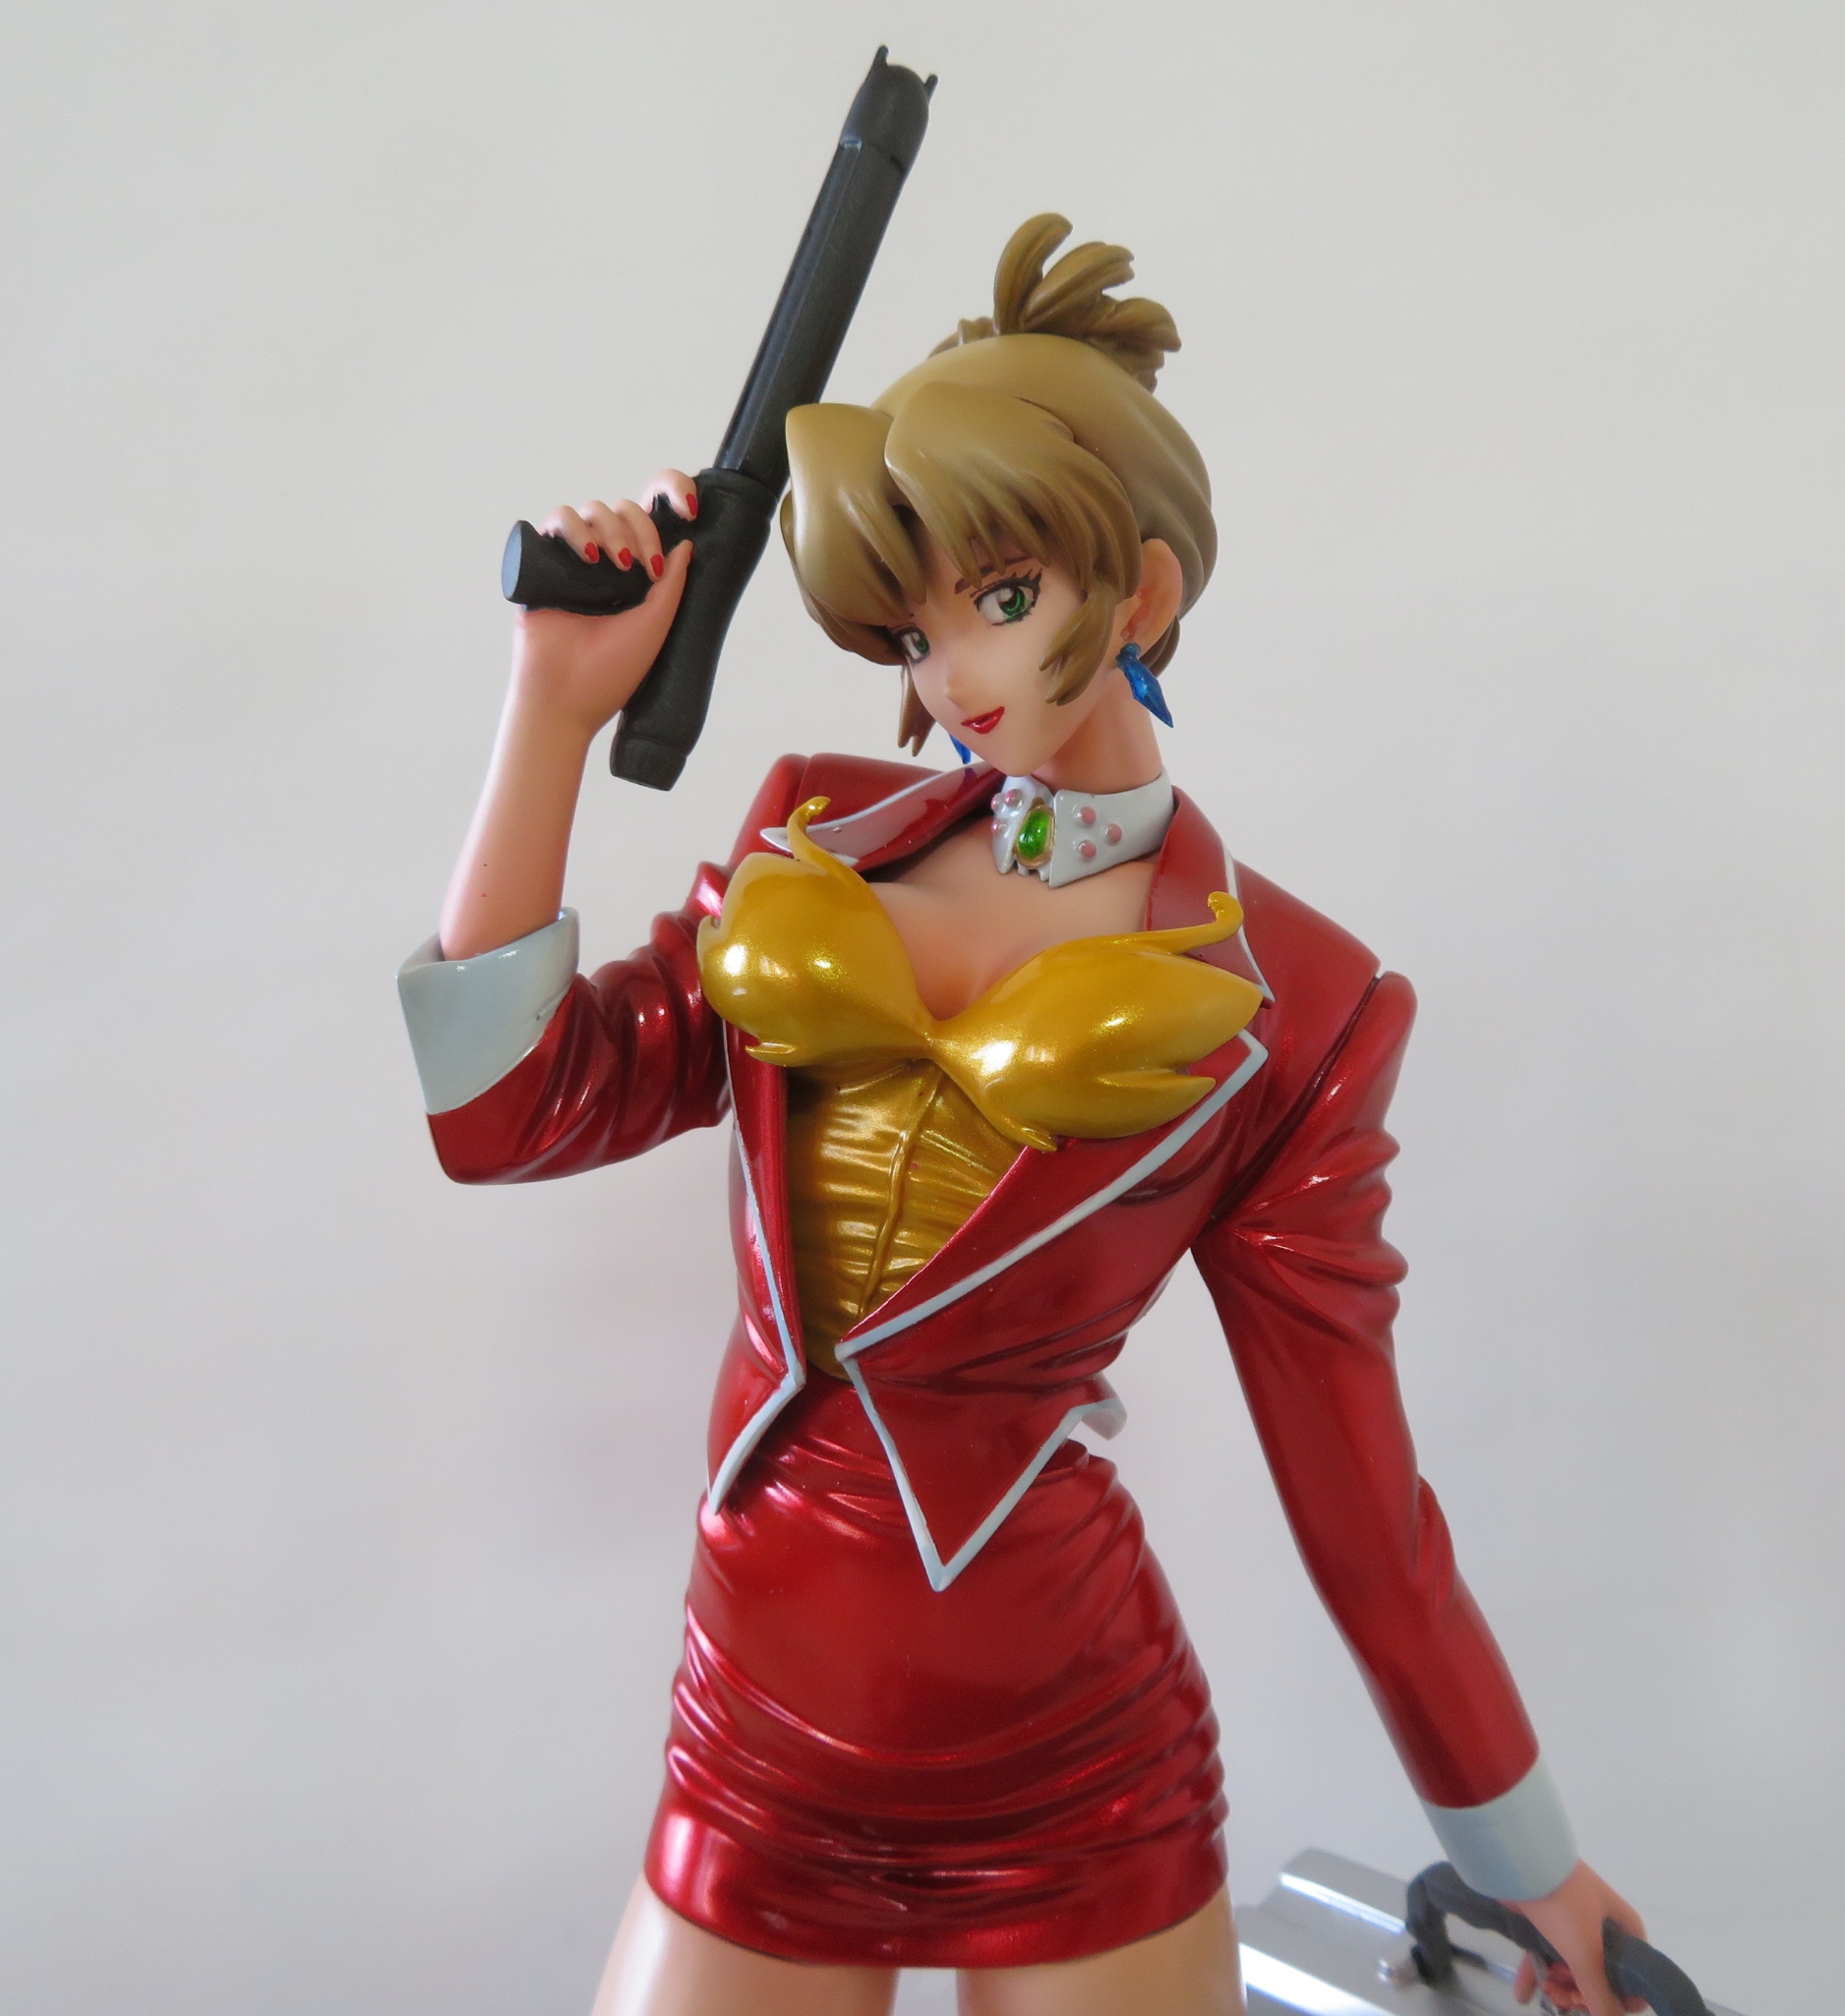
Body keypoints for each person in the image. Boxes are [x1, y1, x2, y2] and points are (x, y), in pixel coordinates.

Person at [399, 215, 1646, 2016]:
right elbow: (504, 1110)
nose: (948, 674)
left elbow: (1360, 1512)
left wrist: (1531, 1865)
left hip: (1080, 1769)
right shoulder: (804, 843)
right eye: (913, 624)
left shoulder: (1303, 1001)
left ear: (1135, 596)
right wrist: (550, 707)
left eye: (999, 599)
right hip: (754, 1738)